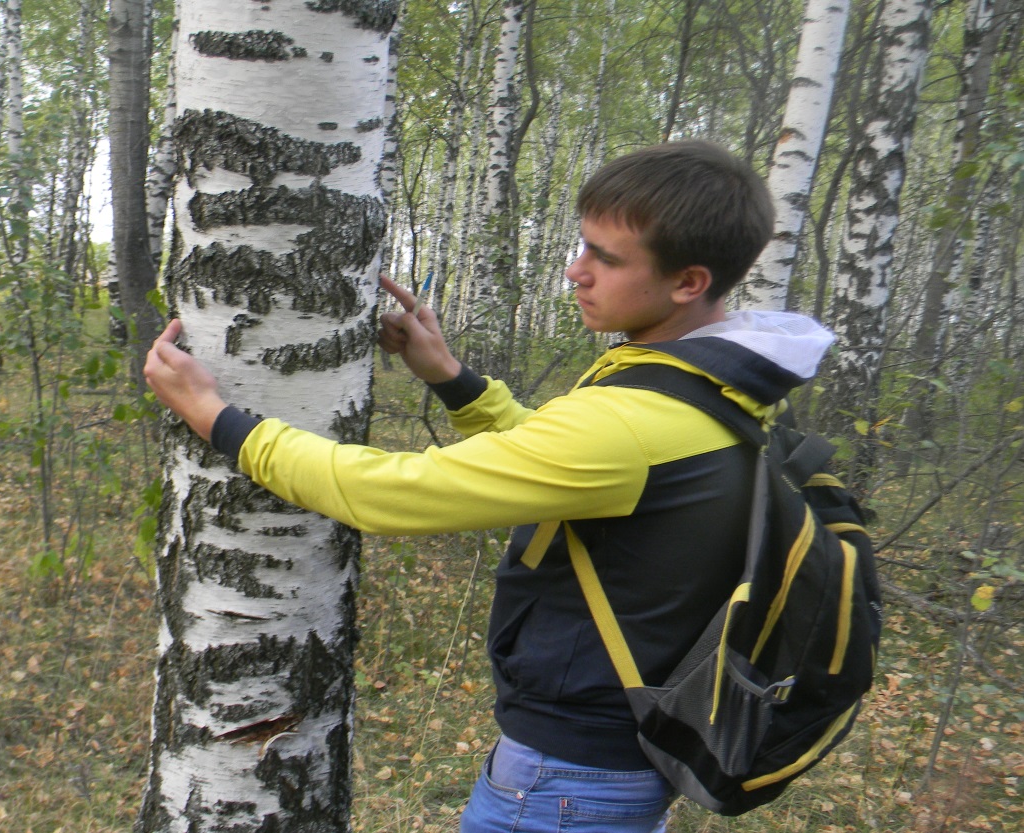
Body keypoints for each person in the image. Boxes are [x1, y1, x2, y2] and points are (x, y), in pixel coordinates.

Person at [144, 140, 835, 833]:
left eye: (606, 257)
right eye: (581, 247)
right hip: (604, 773)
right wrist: (453, 379)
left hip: (565, 788)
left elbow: (381, 491)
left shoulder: (638, 416)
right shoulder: (717, 385)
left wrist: (217, 418)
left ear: (688, 281)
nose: (575, 271)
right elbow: (568, 456)